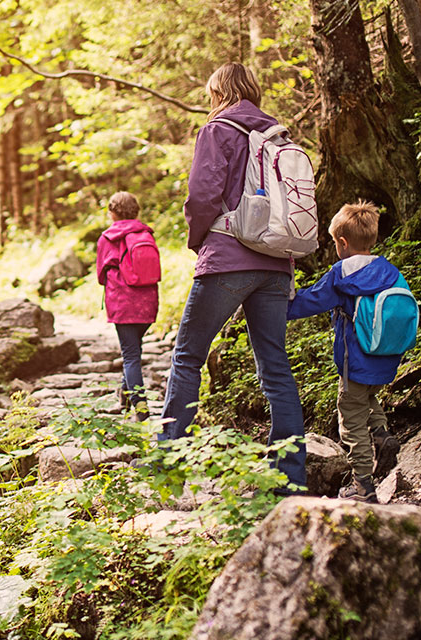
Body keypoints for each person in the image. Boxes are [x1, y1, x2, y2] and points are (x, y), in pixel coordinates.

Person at [159, 62, 306, 490]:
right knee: (275, 367)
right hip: (277, 261)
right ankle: (289, 478)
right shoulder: (279, 135)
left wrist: (198, 241)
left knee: (188, 356)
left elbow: (203, 194)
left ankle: (170, 466)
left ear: (217, 91)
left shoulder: (218, 128)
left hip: (228, 257)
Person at [287, 201, 406, 503]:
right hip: (385, 359)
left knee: (350, 418)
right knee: (367, 397)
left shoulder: (341, 274)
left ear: (342, 243)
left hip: (355, 361)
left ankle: (363, 486)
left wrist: (278, 304)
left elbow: (310, 301)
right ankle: (381, 433)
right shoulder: (388, 271)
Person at [95, 192, 160, 415]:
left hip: (122, 304)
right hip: (148, 302)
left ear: (112, 212)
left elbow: (100, 276)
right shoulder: (145, 234)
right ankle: (124, 396)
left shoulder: (107, 238)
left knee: (131, 355)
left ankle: (140, 408)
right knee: (134, 349)